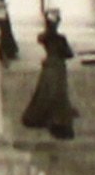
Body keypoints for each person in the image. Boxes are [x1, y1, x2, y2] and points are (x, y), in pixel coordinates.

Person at [20, 8, 75, 139]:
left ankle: (44, 117)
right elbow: (69, 53)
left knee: (46, 92)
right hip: (58, 67)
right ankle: (58, 121)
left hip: (49, 66)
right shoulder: (59, 39)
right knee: (57, 93)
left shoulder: (45, 37)